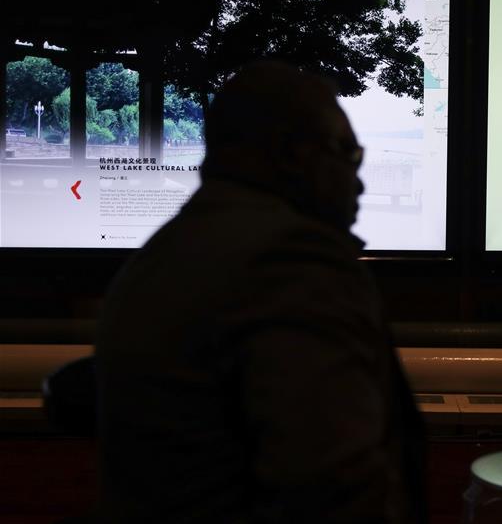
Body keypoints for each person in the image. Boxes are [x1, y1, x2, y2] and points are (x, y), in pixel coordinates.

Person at [95, 60, 426, 523]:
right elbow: (332, 490)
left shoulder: (168, 250)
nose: (359, 182)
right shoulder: (291, 264)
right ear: (296, 154)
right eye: (349, 155)